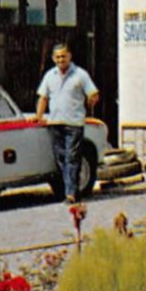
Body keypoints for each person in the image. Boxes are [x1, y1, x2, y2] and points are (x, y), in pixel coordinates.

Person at [34, 43, 100, 206]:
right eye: (57, 57)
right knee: (61, 158)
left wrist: (91, 100)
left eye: (63, 56)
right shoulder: (50, 75)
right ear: (53, 59)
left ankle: (70, 193)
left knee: (72, 157)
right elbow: (43, 97)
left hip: (73, 123)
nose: (61, 60)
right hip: (55, 122)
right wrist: (38, 116)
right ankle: (72, 189)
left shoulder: (80, 74)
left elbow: (93, 93)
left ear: (69, 56)